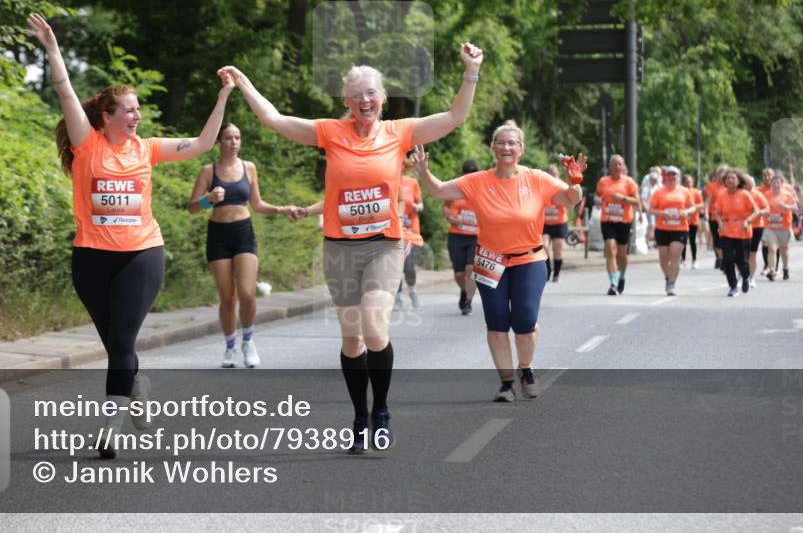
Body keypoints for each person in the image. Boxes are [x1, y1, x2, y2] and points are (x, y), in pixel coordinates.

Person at [219, 41, 483, 453]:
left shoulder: (399, 133)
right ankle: (359, 415)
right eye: (356, 94)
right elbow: (273, 119)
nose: (364, 100)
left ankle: (381, 411)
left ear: (382, 99)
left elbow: (455, 116)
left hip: (384, 245)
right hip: (340, 248)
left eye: (371, 93)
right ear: (347, 100)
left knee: (375, 326)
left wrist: (470, 72)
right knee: (351, 338)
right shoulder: (331, 132)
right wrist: (245, 84)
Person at [26, 13, 232, 459]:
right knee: (116, 343)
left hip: (142, 254)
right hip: (91, 260)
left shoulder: (148, 148)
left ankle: (110, 427)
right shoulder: (88, 144)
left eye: (139, 109)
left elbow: (200, 144)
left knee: (120, 343)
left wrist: (222, 98)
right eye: (131, 109)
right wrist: (52, 49)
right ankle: (137, 386)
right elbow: (64, 91)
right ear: (107, 116)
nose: (138, 115)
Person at [413, 122, 585, 402]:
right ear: (493, 148)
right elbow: (440, 191)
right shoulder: (477, 181)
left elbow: (569, 200)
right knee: (496, 323)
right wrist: (423, 172)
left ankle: (526, 368)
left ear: (521, 149)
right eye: (501, 143)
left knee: (525, 321)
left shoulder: (537, 178)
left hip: (528, 258)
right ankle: (506, 383)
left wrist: (575, 183)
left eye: (512, 143)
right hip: (490, 260)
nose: (506, 147)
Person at [188, 123, 301, 368]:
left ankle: (248, 341)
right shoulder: (208, 171)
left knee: (247, 293)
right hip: (218, 234)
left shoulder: (249, 168)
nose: (234, 142)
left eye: (237, 137)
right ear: (219, 142)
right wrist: (208, 200)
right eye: (229, 138)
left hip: (243, 233)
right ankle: (230, 347)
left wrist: (282, 209)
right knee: (227, 297)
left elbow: (257, 204)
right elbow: (192, 208)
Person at [595, 154, 641, 295]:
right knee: (610, 249)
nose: (617, 167)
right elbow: (597, 195)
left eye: (619, 164)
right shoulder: (603, 181)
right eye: (614, 164)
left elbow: (637, 202)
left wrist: (623, 198)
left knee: (622, 254)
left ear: (623, 166)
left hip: (624, 221)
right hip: (607, 220)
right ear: (610, 166)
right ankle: (613, 283)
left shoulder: (629, 182)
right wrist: (597, 200)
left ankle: (622, 276)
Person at [711, 168, 761, 297]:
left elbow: (756, 211)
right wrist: (719, 222)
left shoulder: (744, 194)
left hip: (742, 231)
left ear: (738, 181)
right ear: (725, 181)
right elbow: (716, 211)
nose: (730, 180)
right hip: (726, 230)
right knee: (728, 260)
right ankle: (733, 286)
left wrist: (747, 221)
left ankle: (745, 277)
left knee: (741, 260)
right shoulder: (722, 194)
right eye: (728, 178)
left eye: (733, 178)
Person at [647, 166, 696, 296]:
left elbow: (693, 208)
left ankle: (671, 285)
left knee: (675, 256)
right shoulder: (659, 192)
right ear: (665, 177)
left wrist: (686, 212)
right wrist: (662, 214)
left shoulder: (685, 191)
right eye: (669, 175)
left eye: (674, 175)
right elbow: (650, 210)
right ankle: (669, 276)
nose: (672, 177)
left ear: (678, 177)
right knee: (663, 260)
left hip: (679, 228)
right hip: (662, 228)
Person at [444, 159, 480, 315]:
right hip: (456, 235)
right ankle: (465, 291)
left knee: (471, 268)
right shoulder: (455, 187)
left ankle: (468, 302)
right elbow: (445, 206)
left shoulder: (482, 188)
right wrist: (451, 218)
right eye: (467, 175)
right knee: (459, 274)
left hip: (476, 236)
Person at [395, 153, 425, 311]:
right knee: (396, 265)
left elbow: (420, 203)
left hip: (410, 230)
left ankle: (412, 290)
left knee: (408, 266)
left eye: (400, 164)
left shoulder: (412, 182)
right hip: (394, 230)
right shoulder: (385, 182)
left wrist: (417, 207)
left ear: (404, 166)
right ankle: (398, 296)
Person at [763, 171, 798, 281]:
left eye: (778, 183)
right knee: (772, 248)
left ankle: (785, 268)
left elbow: (796, 208)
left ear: (782, 184)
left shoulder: (787, 195)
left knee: (784, 249)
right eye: (773, 182)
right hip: (770, 226)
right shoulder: (766, 195)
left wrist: (786, 206)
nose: (775, 185)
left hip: (784, 226)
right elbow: (761, 206)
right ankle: (772, 271)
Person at [542, 163, 569, 283]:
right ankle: (548, 269)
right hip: (545, 223)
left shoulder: (562, 187)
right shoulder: (542, 187)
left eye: (554, 175)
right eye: (550, 175)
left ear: (558, 176)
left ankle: (556, 273)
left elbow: (570, 202)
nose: (552, 178)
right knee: (544, 246)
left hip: (559, 222)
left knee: (557, 248)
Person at [742, 174, 769, 289]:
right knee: (741, 254)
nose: (746, 185)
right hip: (742, 227)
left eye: (747, 183)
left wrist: (758, 213)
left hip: (756, 226)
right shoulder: (739, 194)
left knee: (752, 254)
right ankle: (742, 276)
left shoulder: (757, 195)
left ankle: (751, 278)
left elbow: (767, 209)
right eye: (744, 183)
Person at [704, 164, 729, 269]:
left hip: (727, 218)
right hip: (714, 217)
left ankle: (726, 260)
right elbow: (708, 201)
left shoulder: (730, 186)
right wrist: (705, 212)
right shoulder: (711, 186)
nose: (722, 175)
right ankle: (722, 258)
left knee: (726, 240)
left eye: (724, 173)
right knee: (717, 241)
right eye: (720, 173)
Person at [681, 174, 704, 269]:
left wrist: (692, 209)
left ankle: (694, 260)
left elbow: (701, 204)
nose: (689, 184)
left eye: (690, 182)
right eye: (687, 182)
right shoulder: (680, 192)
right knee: (683, 241)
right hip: (683, 220)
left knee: (692, 240)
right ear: (683, 183)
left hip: (693, 220)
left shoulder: (695, 192)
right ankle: (683, 260)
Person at [756, 168, 776, 276]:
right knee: (764, 242)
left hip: (777, 220)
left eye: (769, 175)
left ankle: (774, 266)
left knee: (774, 245)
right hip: (763, 220)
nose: (767, 178)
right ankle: (767, 265)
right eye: (764, 176)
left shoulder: (778, 189)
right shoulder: (759, 190)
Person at [640, 167, 661, 245]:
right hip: (650, 209)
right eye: (654, 179)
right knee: (651, 225)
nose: (655, 181)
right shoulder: (647, 188)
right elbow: (643, 199)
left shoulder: (658, 188)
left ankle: (656, 241)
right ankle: (647, 241)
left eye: (656, 179)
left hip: (657, 209)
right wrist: (646, 208)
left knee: (657, 225)